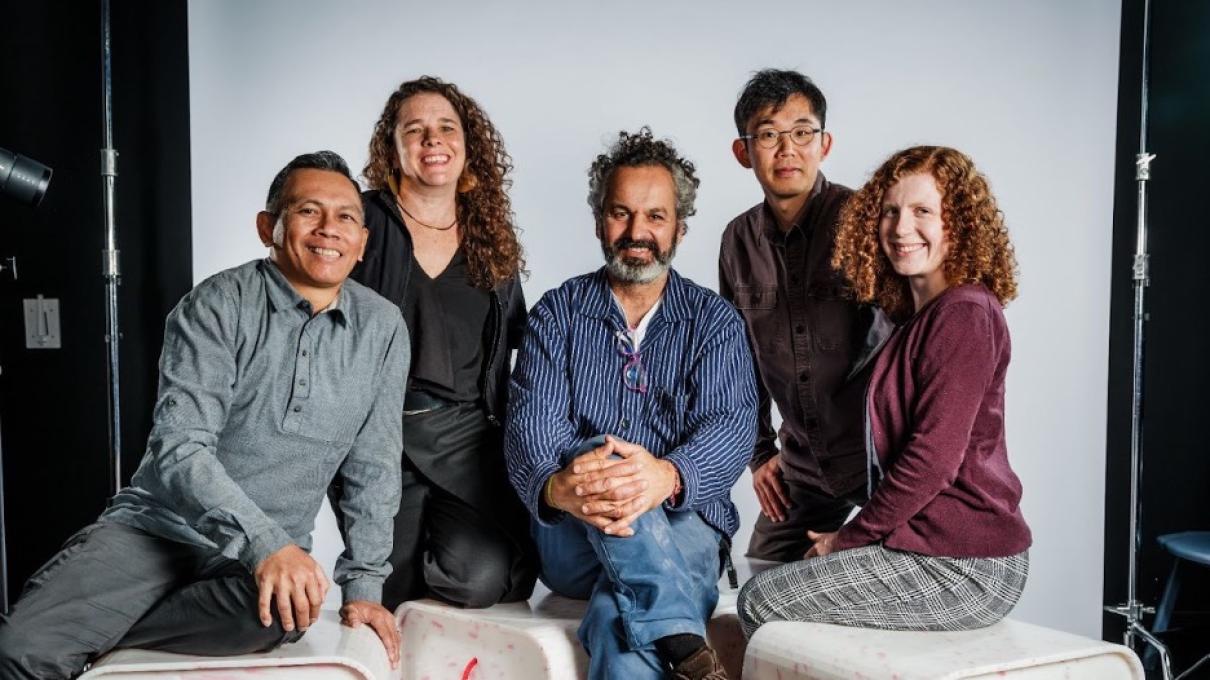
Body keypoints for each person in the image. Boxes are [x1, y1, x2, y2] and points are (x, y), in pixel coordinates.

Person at [0, 151, 407, 677]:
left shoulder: (384, 327)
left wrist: (366, 586)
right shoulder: (217, 304)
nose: (329, 229)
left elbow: (372, 467)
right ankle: (81, 624)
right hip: (158, 531)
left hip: (256, 562)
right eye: (308, 211)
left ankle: (97, 632)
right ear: (269, 227)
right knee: (21, 648)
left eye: (347, 217)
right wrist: (265, 544)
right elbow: (179, 447)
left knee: (282, 614)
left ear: (362, 242)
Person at [738, 145, 1031, 635]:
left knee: (763, 601)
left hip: (968, 564)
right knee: (773, 582)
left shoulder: (964, 313)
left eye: (923, 212)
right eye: (890, 211)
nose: (900, 228)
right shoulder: (917, 316)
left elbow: (932, 460)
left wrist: (848, 539)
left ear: (957, 223)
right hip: (927, 543)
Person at [505, 127, 757, 680]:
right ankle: (678, 629)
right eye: (621, 213)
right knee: (605, 453)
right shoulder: (557, 314)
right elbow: (530, 427)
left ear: (680, 229)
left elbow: (734, 425)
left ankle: (668, 635)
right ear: (600, 221)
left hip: (687, 527)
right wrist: (557, 486)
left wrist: (667, 475)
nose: (637, 232)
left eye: (656, 217)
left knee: (616, 616)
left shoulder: (713, 322)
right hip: (574, 533)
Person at [330, 76, 536, 610]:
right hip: (382, 434)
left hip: (467, 437)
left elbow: (517, 339)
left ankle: (439, 539)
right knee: (385, 591)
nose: (432, 140)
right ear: (392, 148)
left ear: (467, 144)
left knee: (482, 579)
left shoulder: (489, 231)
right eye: (414, 130)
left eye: (446, 127)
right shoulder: (365, 221)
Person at [719, 69, 891, 562]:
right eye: (769, 135)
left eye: (802, 132)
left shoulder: (866, 222)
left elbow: (905, 339)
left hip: (879, 459)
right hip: (804, 466)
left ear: (825, 143)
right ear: (743, 151)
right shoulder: (737, 241)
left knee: (870, 593)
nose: (787, 149)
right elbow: (738, 358)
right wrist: (759, 453)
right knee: (757, 581)